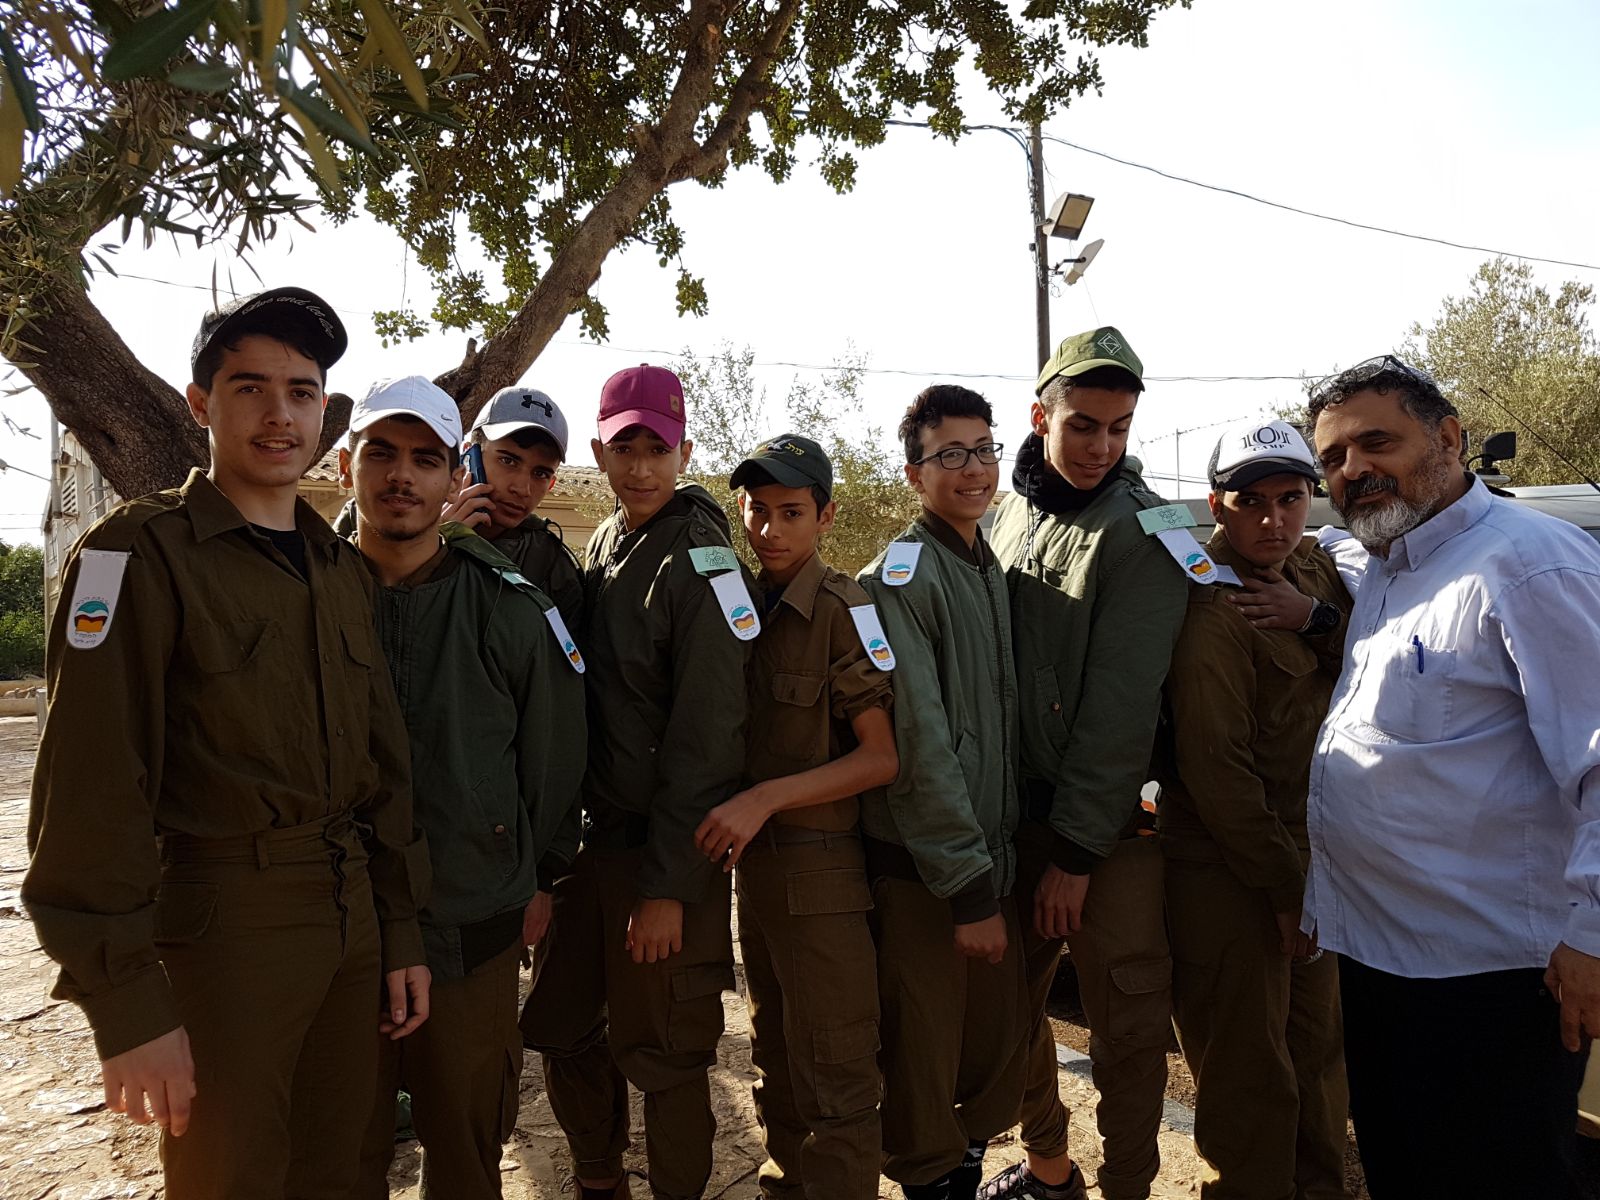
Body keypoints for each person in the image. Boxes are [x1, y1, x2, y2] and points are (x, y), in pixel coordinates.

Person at [22, 288, 429, 1200]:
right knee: (230, 1178)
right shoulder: (136, 556)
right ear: (201, 403)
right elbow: (91, 787)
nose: (280, 414)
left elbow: (384, 768)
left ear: (324, 412)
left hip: (352, 915)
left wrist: (398, 925)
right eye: (251, 388)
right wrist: (127, 1003)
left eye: (301, 392)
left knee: (347, 1168)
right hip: (226, 927)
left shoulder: (338, 567)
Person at [1302, 355, 1600, 1196]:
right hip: (1382, 963)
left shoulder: (1532, 564)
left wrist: (1594, 937)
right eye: (1333, 458)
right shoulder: (1388, 566)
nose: (1354, 470)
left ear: (1449, 438)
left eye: (1377, 443)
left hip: (1491, 983)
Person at [339, 376, 587, 1199]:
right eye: (382, 453)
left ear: (450, 472)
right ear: (346, 467)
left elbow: (554, 758)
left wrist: (537, 873)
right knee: (338, 1153)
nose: (401, 476)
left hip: (470, 919)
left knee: (466, 1143)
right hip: (337, 925)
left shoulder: (513, 606)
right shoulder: (313, 594)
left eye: (424, 459)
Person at [520, 364, 753, 1200]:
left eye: (659, 449)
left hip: (662, 854)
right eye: (626, 449)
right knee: (563, 1026)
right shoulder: (608, 541)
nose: (643, 467)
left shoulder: (704, 561)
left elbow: (708, 739)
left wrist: (668, 889)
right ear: (600, 452)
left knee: (666, 1054)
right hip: (592, 844)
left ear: (684, 452)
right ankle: (598, 1180)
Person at [985, 329, 1186, 1200]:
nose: (1103, 446)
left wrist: (1075, 851)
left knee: (1127, 1030)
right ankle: (1050, 1167)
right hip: (1012, 819)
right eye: (1083, 426)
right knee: (1004, 1014)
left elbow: (1120, 709)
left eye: (1119, 427)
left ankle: (1128, 1187)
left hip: (1105, 837)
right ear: (1041, 417)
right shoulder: (1008, 512)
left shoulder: (1143, 530)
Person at [692, 433, 898, 1199]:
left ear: (825, 516)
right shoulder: (741, 605)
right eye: (756, 510)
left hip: (822, 877)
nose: (769, 529)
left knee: (836, 1081)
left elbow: (880, 757)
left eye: (790, 512)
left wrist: (763, 798)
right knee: (775, 1065)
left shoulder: (843, 609)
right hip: (760, 878)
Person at [1159, 420, 1350, 1200]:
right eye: (1252, 503)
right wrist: (1282, 889)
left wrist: (1315, 619)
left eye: (1291, 499)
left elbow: (1371, 661)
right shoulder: (1214, 605)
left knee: (1318, 1061)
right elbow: (1220, 773)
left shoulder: (1314, 570)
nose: (1274, 520)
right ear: (1217, 506)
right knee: (1247, 1073)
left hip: (1311, 858)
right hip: (1234, 872)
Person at [858, 384, 1025, 1200]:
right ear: (914, 474)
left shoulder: (985, 564)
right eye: (950, 454)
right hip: (929, 876)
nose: (973, 469)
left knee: (983, 1064)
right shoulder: (902, 578)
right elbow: (922, 745)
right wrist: (967, 887)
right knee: (924, 1074)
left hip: (987, 862)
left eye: (984, 449)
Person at [446, 384, 585, 625]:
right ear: (468, 456)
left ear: (551, 483)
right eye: (508, 461)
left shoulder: (553, 567)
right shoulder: (413, 526)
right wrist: (432, 550)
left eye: (540, 473)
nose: (522, 489)